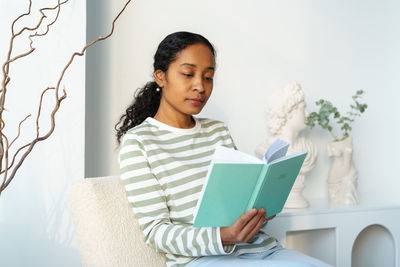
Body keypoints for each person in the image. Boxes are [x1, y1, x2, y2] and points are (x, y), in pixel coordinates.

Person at [116, 31, 332, 267]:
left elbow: (238, 206)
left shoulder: (217, 131)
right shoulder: (139, 143)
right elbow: (157, 233)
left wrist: (258, 213)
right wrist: (223, 236)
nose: (200, 86)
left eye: (208, 77)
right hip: (204, 260)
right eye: (188, 74)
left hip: (264, 251)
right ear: (161, 77)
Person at [255, 83, 317, 209]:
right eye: (303, 109)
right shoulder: (267, 149)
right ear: (288, 112)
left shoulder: (309, 148)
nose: (307, 114)